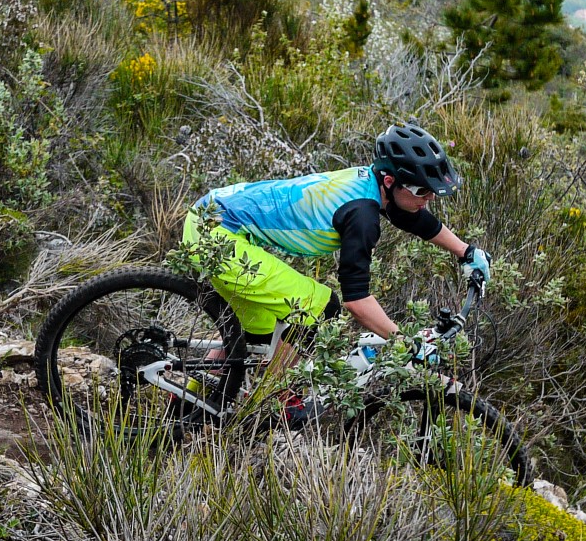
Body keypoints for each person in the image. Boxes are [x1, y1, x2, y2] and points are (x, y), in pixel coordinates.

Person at [182, 123, 492, 414]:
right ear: (390, 182)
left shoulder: (374, 187)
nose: (429, 199)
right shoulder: (362, 214)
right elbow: (356, 302)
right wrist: (406, 344)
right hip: (216, 233)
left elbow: (413, 216)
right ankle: (272, 404)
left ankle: (182, 400)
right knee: (316, 303)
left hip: (209, 220)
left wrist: (466, 251)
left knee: (256, 334)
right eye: (423, 191)